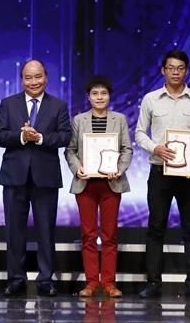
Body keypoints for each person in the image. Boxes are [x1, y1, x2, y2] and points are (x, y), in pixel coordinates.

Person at [135, 49, 190, 299]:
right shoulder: (151, 99)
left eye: (180, 68)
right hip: (159, 171)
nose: (176, 72)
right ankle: (153, 283)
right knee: (156, 227)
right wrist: (154, 147)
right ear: (163, 70)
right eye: (171, 68)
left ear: (187, 71)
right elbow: (139, 133)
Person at [0, 59, 72, 297]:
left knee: (46, 231)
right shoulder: (8, 104)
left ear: (46, 77)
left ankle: (45, 280)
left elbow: (65, 137)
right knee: (14, 231)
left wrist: (39, 138)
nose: (34, 81)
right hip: (14, 175)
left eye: (38, 76)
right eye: (28, 77)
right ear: (22, 79)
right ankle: (15, 279)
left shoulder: (58, 105)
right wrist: (21, 137)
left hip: (45, 176)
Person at [65, 75, 132, 298]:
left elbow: (126, 149)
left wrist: (120, 168)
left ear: (109, 96)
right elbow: (70, 150)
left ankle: (109, 283)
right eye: (95, 93)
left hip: (111, 183)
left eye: (103, 93)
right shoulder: (78, 120)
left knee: (110, 235)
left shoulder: (119, 119)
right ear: (88, 97)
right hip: (86, 184)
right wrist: (77, 169)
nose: (99, 97)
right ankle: (92, 282)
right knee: (88, 235)